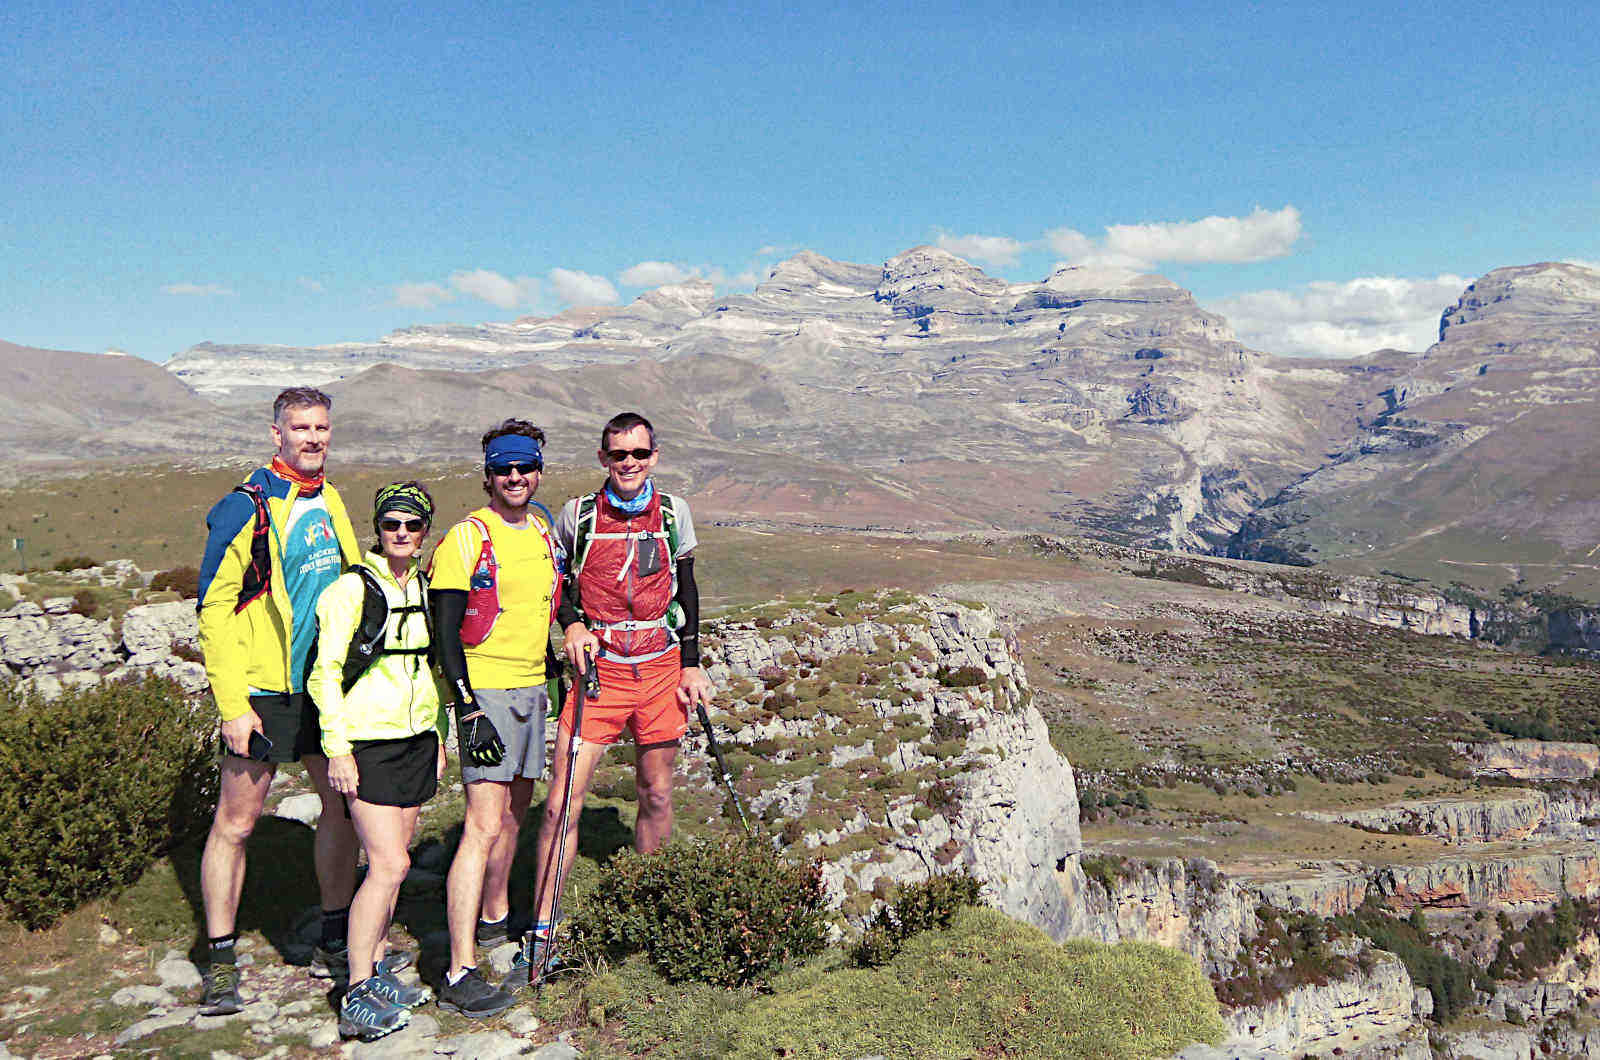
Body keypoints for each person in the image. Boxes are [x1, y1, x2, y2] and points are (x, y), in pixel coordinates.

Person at [523, 411, 712, 981]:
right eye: (616, 455)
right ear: (603, 459)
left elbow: (689, 587)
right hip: (597, 672)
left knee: (655, 792)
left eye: (637, 454)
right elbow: (560, 586)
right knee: (561, 801)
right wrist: (572, 623)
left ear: (653, 456)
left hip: (658, 668)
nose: (627, 464)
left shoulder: (674, 514)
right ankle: (543, 931)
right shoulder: (577, 516)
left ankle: (650, 904)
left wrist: (694, 663)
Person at [195, 387, 364, 1016]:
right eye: (301, 428)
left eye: (322, 427)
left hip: (323, 687)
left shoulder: (331, 498)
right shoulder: (246, 507)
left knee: (340, 811)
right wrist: (232, 704)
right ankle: (218, 957)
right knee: (236, 823)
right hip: (264, 691)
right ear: (277, 434)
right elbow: (212, 608)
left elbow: (350, 580)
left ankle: (333, 934)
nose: (313, 438)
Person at [429, 419, 562, 1016]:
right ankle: (460, 969)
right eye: (504, 469)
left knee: (514, 816)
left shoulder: (540, 530)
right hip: (485, 688)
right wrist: (467, 704)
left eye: (524, 467)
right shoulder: (467, 536)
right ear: (488, 475)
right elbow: (445, 630)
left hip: (532, 688)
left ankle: (495, 919)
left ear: (537, 470)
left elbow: (544, 607)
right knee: (482, 825)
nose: (515, 477)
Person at [308, 482, 444, 1041]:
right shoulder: (348, 591)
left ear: (425, 531)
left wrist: (436, 739)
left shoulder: (427, 587)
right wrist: (337, 747)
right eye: (392, 525)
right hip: (367, 742)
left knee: (397, 864)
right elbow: (325, 673)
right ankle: (356, 989)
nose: (402, 534)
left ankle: (376, 964)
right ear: (378, 529)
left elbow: (429, 669)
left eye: (412, 525)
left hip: (416, 738)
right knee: (388, 865)